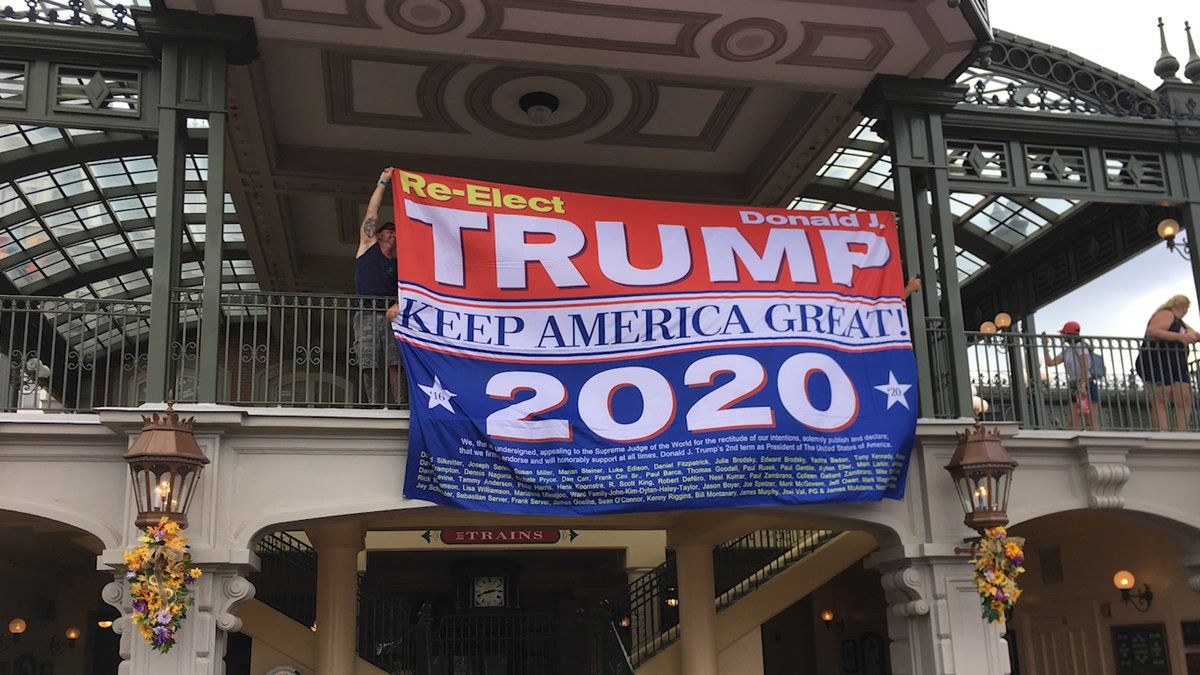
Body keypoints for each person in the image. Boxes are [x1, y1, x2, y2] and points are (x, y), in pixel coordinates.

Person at [354, 167, 402, 404]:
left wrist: (398, 303)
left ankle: (399, 401)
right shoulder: (367, 246)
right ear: (379, 234)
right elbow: (372, 212)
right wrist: (382, 182)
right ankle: (374, 403)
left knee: (395, 360)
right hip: (366, 313)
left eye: (396, 232)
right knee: (369, 360)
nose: (393, 234)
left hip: (389, 314)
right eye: (389, 230)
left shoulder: (401, 263)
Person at [1137, 294, 1199, 430]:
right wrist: (1181, 337)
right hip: (1158, 361)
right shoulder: (1165, 314)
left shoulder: (1180, 322)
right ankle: (1163, 433)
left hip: (1177, 363)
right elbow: (1153, 330)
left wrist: (1189, 336)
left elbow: (1193, 335)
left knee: (1185, 399)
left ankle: (1180, 433)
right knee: (1161, 399)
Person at [1042, 321, 1099, 430]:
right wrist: (1045, 346)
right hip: (1075, 385)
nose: (1062, 336)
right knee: (1072, 421)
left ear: (1069, 334)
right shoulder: (1067, 350)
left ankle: (1095, 444)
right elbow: (1050, 363)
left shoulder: (1080, 346)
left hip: (1085, 384)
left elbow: (1085, 365)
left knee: (1090, 421)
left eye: (1064, 333)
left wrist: (1082, 384)